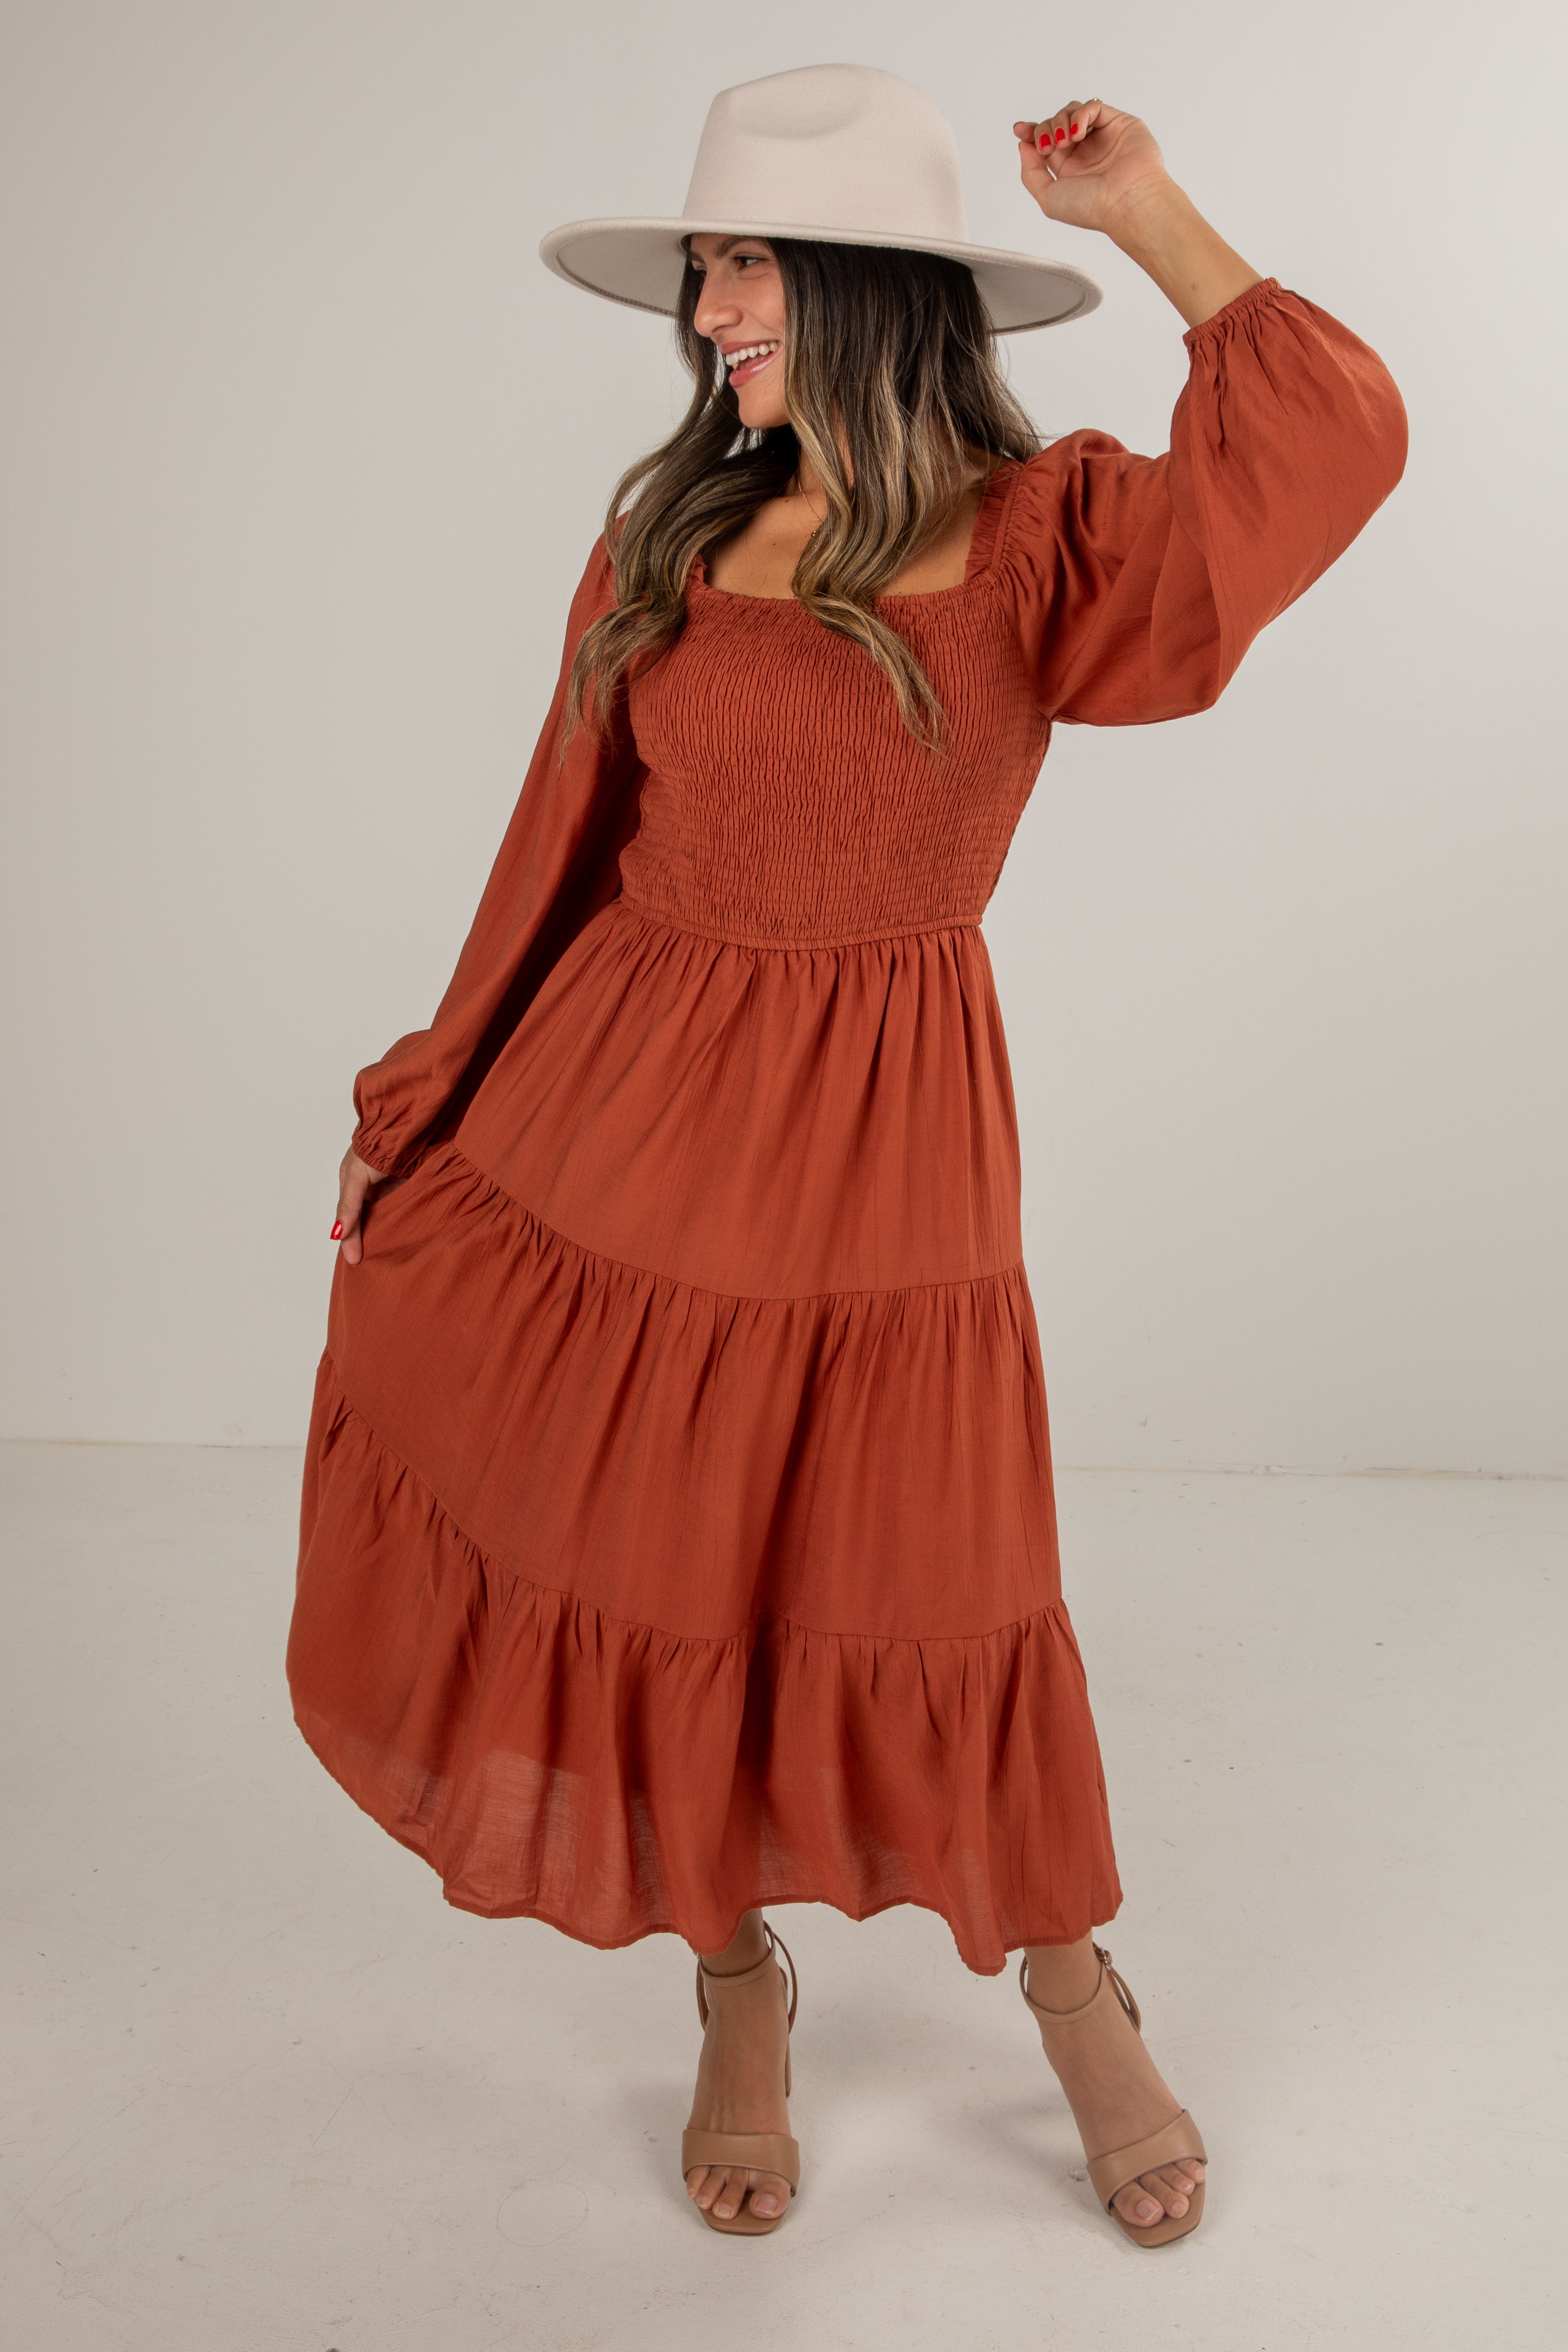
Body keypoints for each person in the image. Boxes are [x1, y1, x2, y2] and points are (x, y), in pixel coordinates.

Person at [287, 65, 1406, 2246]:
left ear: (876, 289)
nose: (707, 301)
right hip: (617, 1120)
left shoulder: (1053, 531)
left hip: (886, 1142)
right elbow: (557, 850)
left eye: (743, 259)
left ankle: (1076, 1994)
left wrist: (1153, 213)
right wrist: (431, 1100)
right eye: (699, 259)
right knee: (663, 1564)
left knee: (935, 1579)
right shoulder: (671, 534)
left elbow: (1331, 443)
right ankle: (736, 1986)